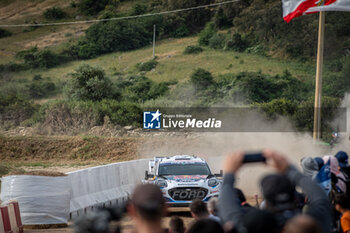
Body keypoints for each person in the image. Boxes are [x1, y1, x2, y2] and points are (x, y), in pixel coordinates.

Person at [219, 150, 332, 233]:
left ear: (266, 202)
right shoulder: (311, 224)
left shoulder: (254, 225)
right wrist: (289, 169)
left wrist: (229, 173)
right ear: (295, 197)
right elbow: (320, 198)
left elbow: (229, 212)